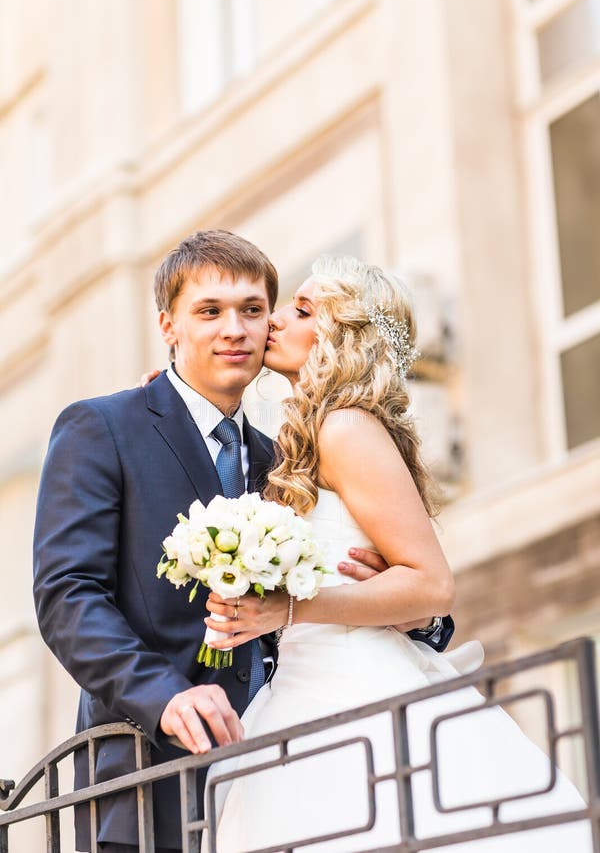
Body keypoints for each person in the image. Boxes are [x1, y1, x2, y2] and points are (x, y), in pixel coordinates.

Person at [32, 230, 451, 853]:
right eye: (209, 312)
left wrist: (411, 618)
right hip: (152, 777)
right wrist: (164, 696)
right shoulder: (103, 428)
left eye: (253, 310)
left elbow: (416, 588)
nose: (236, 329)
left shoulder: (289, 461)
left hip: (292, 764)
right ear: (168, 325)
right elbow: (67, 596)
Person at [202, 257, 592, 852]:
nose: (275, 321)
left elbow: (432, 585)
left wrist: (284, 611)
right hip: (304, 688)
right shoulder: (304, 439)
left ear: (343, 338)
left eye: (301, 311)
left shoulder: (346, 428)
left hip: (355, 684)